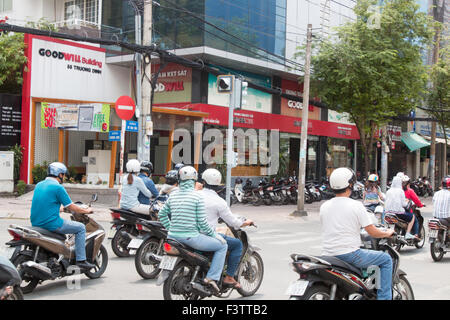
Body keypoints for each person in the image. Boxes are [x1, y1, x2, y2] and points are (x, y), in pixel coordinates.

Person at [320, 167, 394, 300]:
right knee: (386, 259)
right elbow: (372, 231)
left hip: (327, 254)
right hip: (350, 254)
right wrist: (387, 233)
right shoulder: (355, 205)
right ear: (350, 184)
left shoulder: (324, 206)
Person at [158, 166, 228, 293]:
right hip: (191, 238)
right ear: (195, 180)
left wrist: (170, 228)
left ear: (179, 180)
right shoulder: (197, 197)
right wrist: (215, 235)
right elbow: (202, 223)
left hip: (172, 237)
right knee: (222, 246)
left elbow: (162, 214)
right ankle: (211, 278)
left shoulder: (173, 195)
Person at [30, 162, 95, 270]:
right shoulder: (58, 187)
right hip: (51, 224)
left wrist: (60, 209)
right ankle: (81, 260)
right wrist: (86, 210)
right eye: (64, 174)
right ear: (59, 174)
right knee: (80, 228)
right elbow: (71, 207)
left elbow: (46, 203)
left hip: (36, 223)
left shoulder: (39, 185)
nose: (64, 177)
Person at [200, 168, 253, 289]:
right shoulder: (219, 202)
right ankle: (229, 277)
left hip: (190, 233)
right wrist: (246, 222)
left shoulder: (195, 195)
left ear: (203, 182)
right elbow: (234, 222)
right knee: (237, 244)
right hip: (206, 236)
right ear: (219, 184)